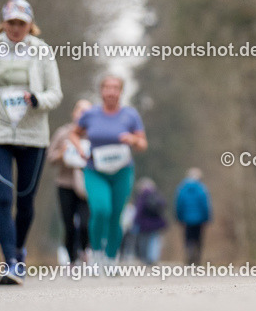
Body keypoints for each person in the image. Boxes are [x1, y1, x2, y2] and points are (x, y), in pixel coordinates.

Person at [0, 0, 63, 285]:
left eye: (21, 23)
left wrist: (37, 99)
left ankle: (20, 250)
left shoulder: (42, 51)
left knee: (25, 201)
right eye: (11, 22)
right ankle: (10, 261)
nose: (16, 28)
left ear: (30, 25)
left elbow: (55, 93)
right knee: (3, 197)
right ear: (3, 23)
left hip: (33, 136)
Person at [69, 74, 146, 265]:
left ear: (121, 92)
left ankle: (111, 258)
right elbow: (73, 134)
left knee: (115, 215)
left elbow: (142, 143)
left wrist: (133, 139)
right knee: (101, 209)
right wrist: (79, 148)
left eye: (115, 88)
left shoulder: (130, 115)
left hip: (122, 171)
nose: (111, 92)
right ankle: (96, 253)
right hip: (96, 170)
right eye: (107, 88)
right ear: (101, 91)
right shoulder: (91, 114)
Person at [47, 99, 93, 265]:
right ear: (74, 113)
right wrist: (62, 154)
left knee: (85, 222)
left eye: (87, 112)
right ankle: (72, 258)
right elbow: (50, 157)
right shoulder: (63, 133)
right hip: (65, 183)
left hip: (88, 185)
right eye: (80, 111)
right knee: (68, 223)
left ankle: (85, 249)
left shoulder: (93, 134)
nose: (83, 115)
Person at [175, 168, 212, 265]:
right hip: (199, 219)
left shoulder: (182, 188)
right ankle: (197, 257)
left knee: (188, 237)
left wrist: (179, 217)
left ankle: (189, 252)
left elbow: (179, 204)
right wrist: (207, 217)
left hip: (186, 218)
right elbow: (205, 205)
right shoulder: (202, 189)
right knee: (198, 238)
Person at [132, 177, 167, 264]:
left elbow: (139, 210)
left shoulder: (142, 196)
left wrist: (135, 221)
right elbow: (163, 206)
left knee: (144, 241)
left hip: (144, 223)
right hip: (156, 223)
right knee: (154, 241)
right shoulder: (157, 195)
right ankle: (153, 258)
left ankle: (145, 259)